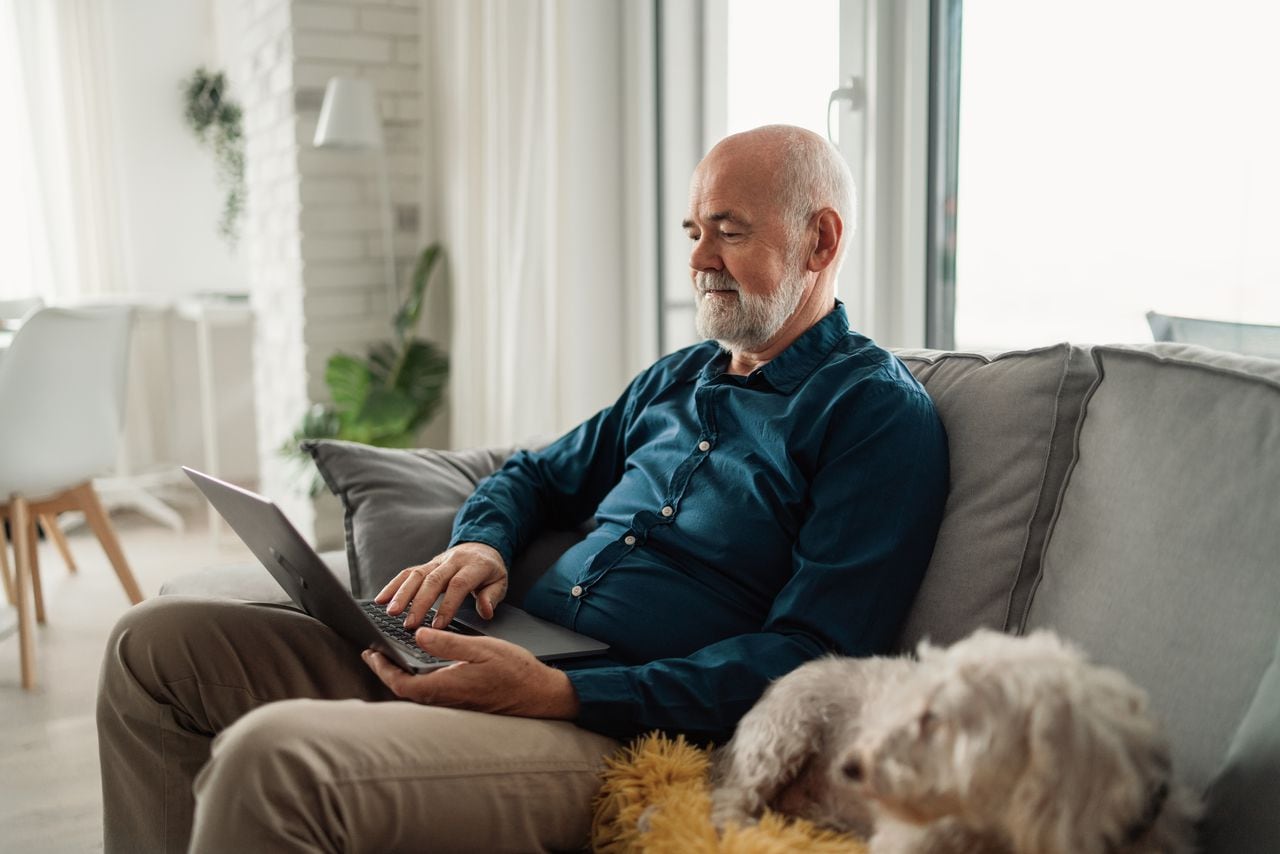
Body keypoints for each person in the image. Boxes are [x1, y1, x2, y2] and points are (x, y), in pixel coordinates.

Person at [97, 124, 948, 852]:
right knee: (153, 646)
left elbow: (811, 658)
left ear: (821, 241)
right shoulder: (677, 379)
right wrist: (481, 541)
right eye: (693, 229)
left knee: (274, 761)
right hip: (505, 648)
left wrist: (560, 691)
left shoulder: (872, 414)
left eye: (727, 230)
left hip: (613, 727)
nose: (697, 259)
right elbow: (536, 475)